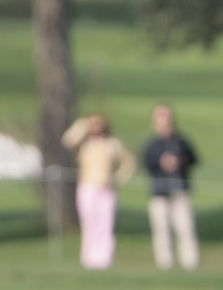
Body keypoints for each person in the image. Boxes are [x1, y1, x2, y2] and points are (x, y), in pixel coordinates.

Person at [62, 114, 136, 270]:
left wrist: (118, 178)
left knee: (105, 224)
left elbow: (128, 162)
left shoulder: (112, 144)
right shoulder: (85, 144)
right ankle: (89, 258)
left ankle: (104, 258)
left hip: (106, 189)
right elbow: (68, 140)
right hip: (88, 188)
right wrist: (83, 124)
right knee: (89, 224)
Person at [142, 104, 200, 271]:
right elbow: (146, 163)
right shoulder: (152, 144)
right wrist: (161, 162)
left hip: (179, 190)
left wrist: (179, 161)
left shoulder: (181, 141)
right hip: (160, 192)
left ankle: (190, 262)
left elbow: (194, 159)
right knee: (161, 229)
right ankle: (165, 263)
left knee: (185, 227)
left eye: (167, 117)